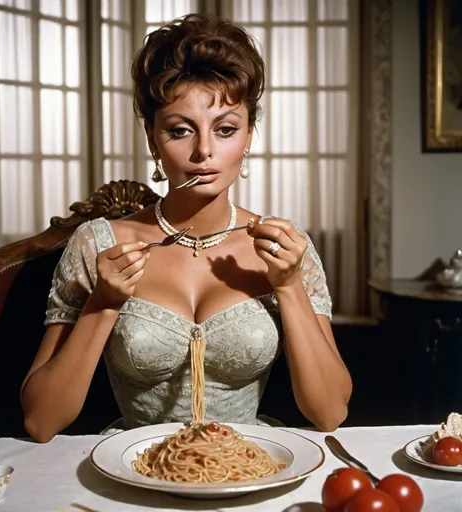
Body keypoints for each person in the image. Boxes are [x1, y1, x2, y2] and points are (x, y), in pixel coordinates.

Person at [20, 14, 352, 443]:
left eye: (226, 129)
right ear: (152, 137)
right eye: (180, 131)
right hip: (135, 473)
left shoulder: (285, 248)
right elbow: (40, 421)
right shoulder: (96, 244)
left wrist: (288, 286)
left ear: (249, 136)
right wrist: (103, 303)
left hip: (247, 472)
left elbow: (329, 413)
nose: (205, 151)